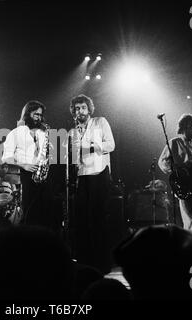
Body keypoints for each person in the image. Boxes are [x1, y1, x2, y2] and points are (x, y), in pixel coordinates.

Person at [69, 94, 115, 274]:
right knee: (82, 220)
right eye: (77, 108)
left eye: (82, 107)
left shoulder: (100, 122)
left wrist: (91, 147)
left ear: (89, 109)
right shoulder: (73, 131)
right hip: (82, 176)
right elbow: (73, 157)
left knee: (98, 219)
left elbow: (111, 145)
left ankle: (102, 263)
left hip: (99, 173)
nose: (79, 111)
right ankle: (85, 261)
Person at [0, 100, 55, 230]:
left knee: (45, 214)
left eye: (41, 115)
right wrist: (24, 165)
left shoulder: (43, 133)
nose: (39, 118)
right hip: (26, 175)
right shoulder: (15, 133)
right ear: (27, 113)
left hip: (42, 175)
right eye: (36, 114)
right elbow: (6, 157)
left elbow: (46, 153)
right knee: (29, 214)